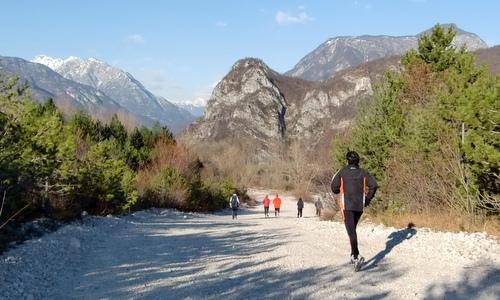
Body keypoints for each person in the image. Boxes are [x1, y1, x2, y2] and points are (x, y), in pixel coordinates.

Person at [331, 151, 377, 271]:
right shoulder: (363, 172)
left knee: (351, 231)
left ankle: (356, 256)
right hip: (359, 207)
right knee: (352, 230)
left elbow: (333, 187)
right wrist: (367, 199)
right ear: (358, 161)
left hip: (347, 206)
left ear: (347, 161)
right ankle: (353, 255)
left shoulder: (342, 171)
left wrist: (339, 190)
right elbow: (374, 185)